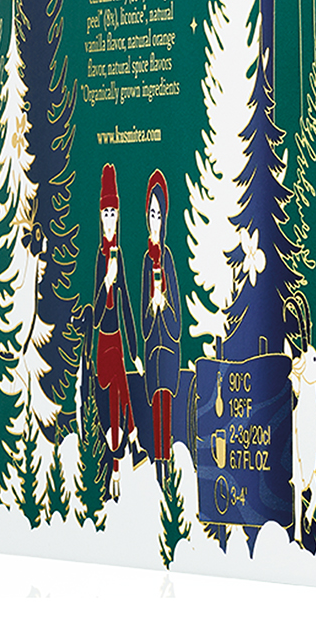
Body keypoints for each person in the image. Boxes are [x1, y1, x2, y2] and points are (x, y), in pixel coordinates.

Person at [90, 164, 138, 462]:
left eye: (113, 213)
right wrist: (107, 281)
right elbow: (96, 316)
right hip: (103, 342)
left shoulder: (119, 255)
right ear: (101, 217)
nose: (109, 219)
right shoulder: (100, 258)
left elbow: (127, 305)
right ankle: (131, 440)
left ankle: (124, 454)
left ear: (118, 216)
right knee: (116, 389)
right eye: (105, 213)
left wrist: (134, 352)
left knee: (121, 387)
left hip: (118, 337)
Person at [140, 170, 181, 461]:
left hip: (168, 354)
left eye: (159, 215)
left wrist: (164, 304)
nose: (155, 221)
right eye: (151, 215)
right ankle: (158, 469)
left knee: (168, 420)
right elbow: (144, 327)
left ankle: (169, 471)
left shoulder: (168, 260)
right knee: (154, 421)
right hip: (151, 354)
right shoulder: (147, 261)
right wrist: (151, 308)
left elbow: (177, 327)